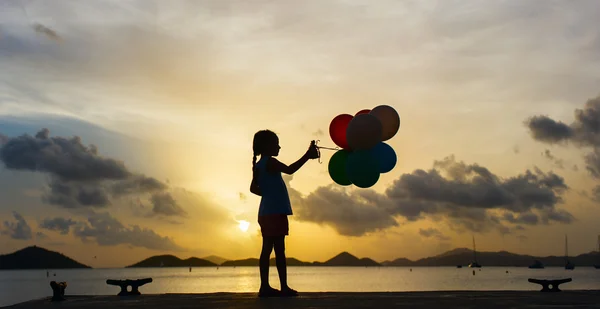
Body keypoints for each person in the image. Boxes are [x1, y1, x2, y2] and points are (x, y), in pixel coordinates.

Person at [250, 130, 319, 297]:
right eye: (276, 144)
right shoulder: (270, 162)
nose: (279, 146)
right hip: (275, 212)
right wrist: (307, 156)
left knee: (267, 249)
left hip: (266, 211)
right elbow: (289, 169)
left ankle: (265, 287)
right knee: (279, 250)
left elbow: (253, 188)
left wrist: (268, 193)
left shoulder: (258, 166)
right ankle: (282, 287)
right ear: (267, 146)